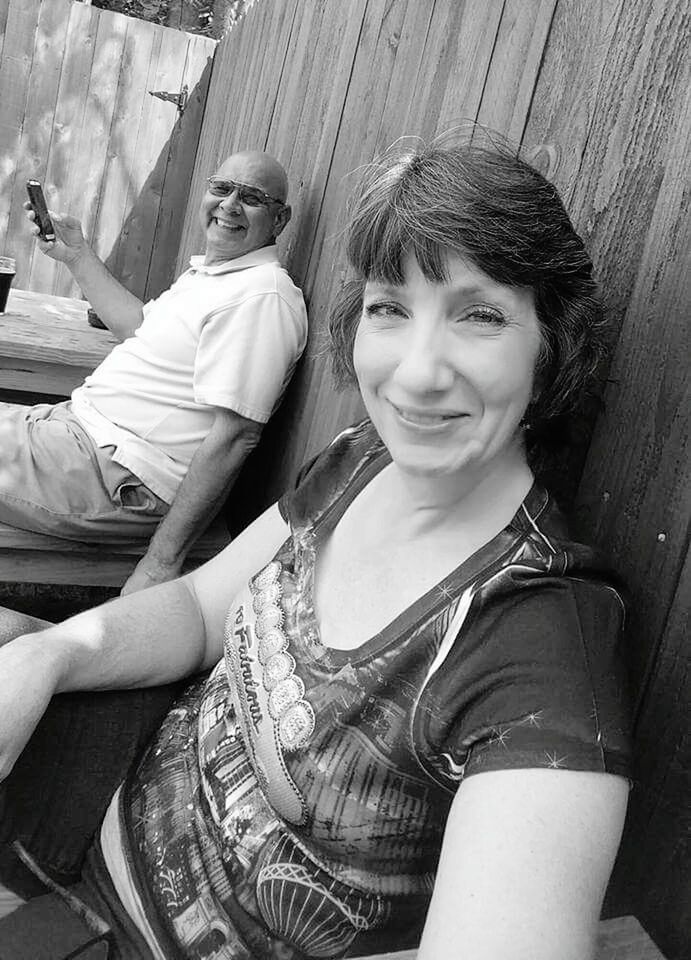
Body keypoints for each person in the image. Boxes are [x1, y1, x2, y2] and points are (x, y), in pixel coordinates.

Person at [0, 138, 631, 960]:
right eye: (389, 307)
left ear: (552, 351)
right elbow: (198, 609)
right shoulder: (359, 460)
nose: (414, 375)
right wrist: (46, 656)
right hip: (95, 802)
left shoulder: (542, 644)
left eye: (478, 315)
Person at [0, 151, 308, 595]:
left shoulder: (263, 297)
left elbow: (236, 436)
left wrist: (159, 564)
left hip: (114, 477)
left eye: (252, 198)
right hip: (74, 436)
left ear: (280, 220)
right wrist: (77, 256)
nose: (229, 206)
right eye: (222, 189)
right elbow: (138, 327)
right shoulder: (217, 276)